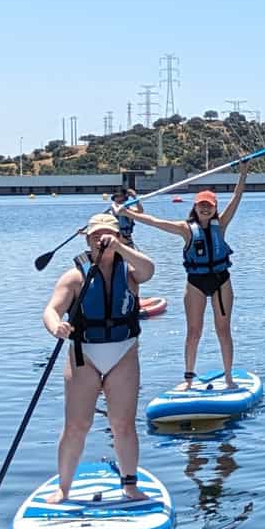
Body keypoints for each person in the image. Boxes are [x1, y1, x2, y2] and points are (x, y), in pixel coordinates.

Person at [42, 213, 155, 501]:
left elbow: (149, 270)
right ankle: (63, 488)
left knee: (123, 424)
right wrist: (56, 327)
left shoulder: (130, 271)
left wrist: (120, 247)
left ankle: (130, 485)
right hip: (85, 356)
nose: (101, 239)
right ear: (87, 239)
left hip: (123, 353)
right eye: (95, 235)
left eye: (107, 234)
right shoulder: (75, 276)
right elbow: (51, 310)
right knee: (77, 425)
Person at [126, 162, 249, 390]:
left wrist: (242, 174)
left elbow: (236, 198)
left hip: (221, 281)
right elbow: (155, 222)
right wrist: (127, 213)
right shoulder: (185, 229)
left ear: (214, 208)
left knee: (223, 330)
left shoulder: (221, 224)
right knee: (194, 332)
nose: (205, 209)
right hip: (196, 283)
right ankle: (189, 379)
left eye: (209, 206)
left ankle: (229, 378)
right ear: (195, 207)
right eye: (202, 205)